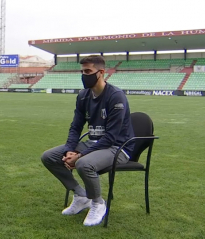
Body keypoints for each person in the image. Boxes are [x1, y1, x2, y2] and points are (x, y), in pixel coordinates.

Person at [41, 55, 135, 226]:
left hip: (118, 147)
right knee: (49, 156)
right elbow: (76, 127)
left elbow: (111, 137)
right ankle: (81, 195)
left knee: (83, 163)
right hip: (93, 143)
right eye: (82, 71)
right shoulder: (83, 96)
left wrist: (80, 155)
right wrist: (69, 150)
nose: (84, 75)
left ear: (101, 73)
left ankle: (98, 203)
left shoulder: (116, 96)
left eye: (88, 71)